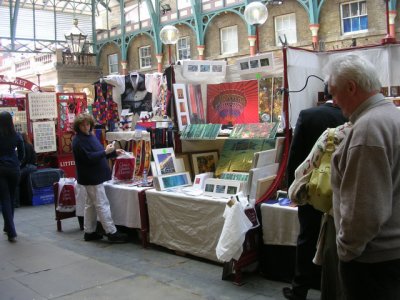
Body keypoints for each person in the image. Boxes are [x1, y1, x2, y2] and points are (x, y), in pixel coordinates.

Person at [327, 54, 400, 300]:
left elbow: (363, 210)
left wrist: (347, 250)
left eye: (334, 92)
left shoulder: (368, 129)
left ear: (351, 87)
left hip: (373, 261)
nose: (333, 101)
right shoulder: (393, 116)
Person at [283, 93, 347, 300]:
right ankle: (332, 285)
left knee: (307, 236)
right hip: (340, 189)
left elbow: (295, 154)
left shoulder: (308, 115)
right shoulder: (351, 118)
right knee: (337, 236)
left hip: (312, 187)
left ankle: (299, 288)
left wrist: (291, 189)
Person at [72, 113, 128, 243]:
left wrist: (113, 153)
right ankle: (111, 232)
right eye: (83, 125)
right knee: (102, 204)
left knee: (90, 205)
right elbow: (89, 158)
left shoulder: (88, 137)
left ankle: (89, 231)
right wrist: (106, 152)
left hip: (92, 176)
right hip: (92, 177)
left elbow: (98, 155)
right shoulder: (79, 141)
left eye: (87, 124)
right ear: (78, 126)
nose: (86, 127)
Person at [0, 111, 24, 242]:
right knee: (11, 197)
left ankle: (11, 230)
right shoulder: (16, 135)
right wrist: (17, 162)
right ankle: (8, 227)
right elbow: (22, 153)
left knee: (5, 199)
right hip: (14, 169)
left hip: (1, 170)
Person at [19, 132, 37, 206]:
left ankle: (18, 201)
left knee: (17, 179)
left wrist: (19, 166)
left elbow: (25, 160)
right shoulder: (30, 145)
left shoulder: (24, 146)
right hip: (32, 166)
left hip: (29, 166)